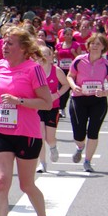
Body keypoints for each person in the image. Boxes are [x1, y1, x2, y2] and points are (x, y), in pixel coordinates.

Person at [0, 26, 54, 216]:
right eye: (4, 42)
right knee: (1, 182)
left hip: (27, 133)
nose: (4, 46)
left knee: (26, 185)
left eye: (10, 43)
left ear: (23, 48)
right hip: (3, 131)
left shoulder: (34, 69)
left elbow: (47, 103)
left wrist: (19, 101)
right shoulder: (1, 66)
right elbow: (2, 99)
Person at [66, 32, 108, 173]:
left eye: (98, 44)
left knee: (93, 132)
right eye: (92, 43)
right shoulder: (79, 60)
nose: (94, 46)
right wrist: (74, 86)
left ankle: (87, 161)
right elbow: (70, 76)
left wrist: (105, 93)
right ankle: (80, 147)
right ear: (88, 45)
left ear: (103, 47)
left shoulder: (107, 65)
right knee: (79, 134)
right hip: (79, 99)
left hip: (98, 101)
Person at [35, 45, 69, 173]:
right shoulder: (34, 71)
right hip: (38, 107)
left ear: (51, 57)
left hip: (52, 107)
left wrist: (57, 95)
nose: (42, 58)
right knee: (40, 136)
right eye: (39, 56)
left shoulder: (56, 70)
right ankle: (42, 163)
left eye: (45, 55)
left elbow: (66, 85)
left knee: (50, 138)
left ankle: (53, 146)